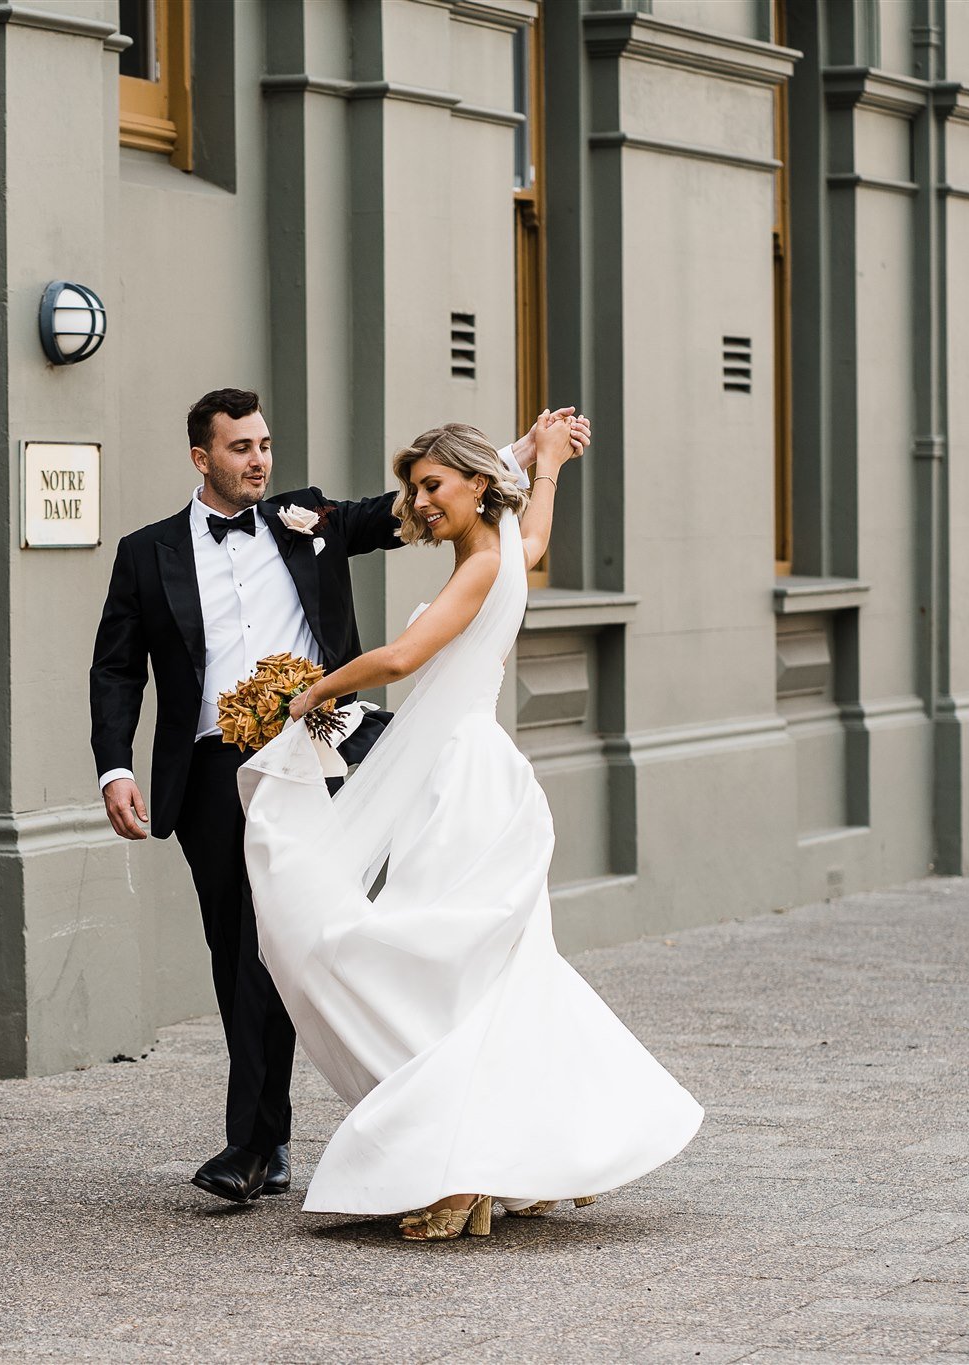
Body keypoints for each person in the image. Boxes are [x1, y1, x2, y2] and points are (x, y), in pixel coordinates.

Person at [88, 388, 561, 1204]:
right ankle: (264, 1145)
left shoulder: (308, 519)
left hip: (319, 757)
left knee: (308, 939)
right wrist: (114, 766)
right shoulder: (146, 552)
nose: (259, 459)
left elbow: (408, 507)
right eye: (240, 448)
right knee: (239, 948)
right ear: (202, 458)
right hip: (208, 773)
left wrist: (519, 453)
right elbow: (116, 667)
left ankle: (320, 1129)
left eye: (264, 444)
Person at [240, 412, 703, 1241]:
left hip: (462, 785)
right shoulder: (502, 559)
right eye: (414, 489)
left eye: (431, 486)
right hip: (472, 778)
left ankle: (462, 1167)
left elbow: (400, 658)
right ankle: (517, 1149)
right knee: (481, 972)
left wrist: (305, 695)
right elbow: (534, 539)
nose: (416, 503)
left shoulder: (481, 565)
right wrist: (549, 462)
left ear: (476, 485)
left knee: (430, 961)